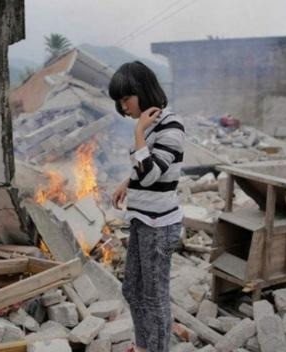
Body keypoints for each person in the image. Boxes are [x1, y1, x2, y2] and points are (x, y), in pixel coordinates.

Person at [108, 61, 185, 352]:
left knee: (155, 298)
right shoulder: (151, 126)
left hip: (160, 225)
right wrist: (127, 182)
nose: (124, 107)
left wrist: (139, 133)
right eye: (120, 101)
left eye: (126, 99)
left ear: (142, 90)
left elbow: (152, 174)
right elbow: (144, 171)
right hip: (143, 219)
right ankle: (144, 346)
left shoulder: (171, 126)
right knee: (132, 289)